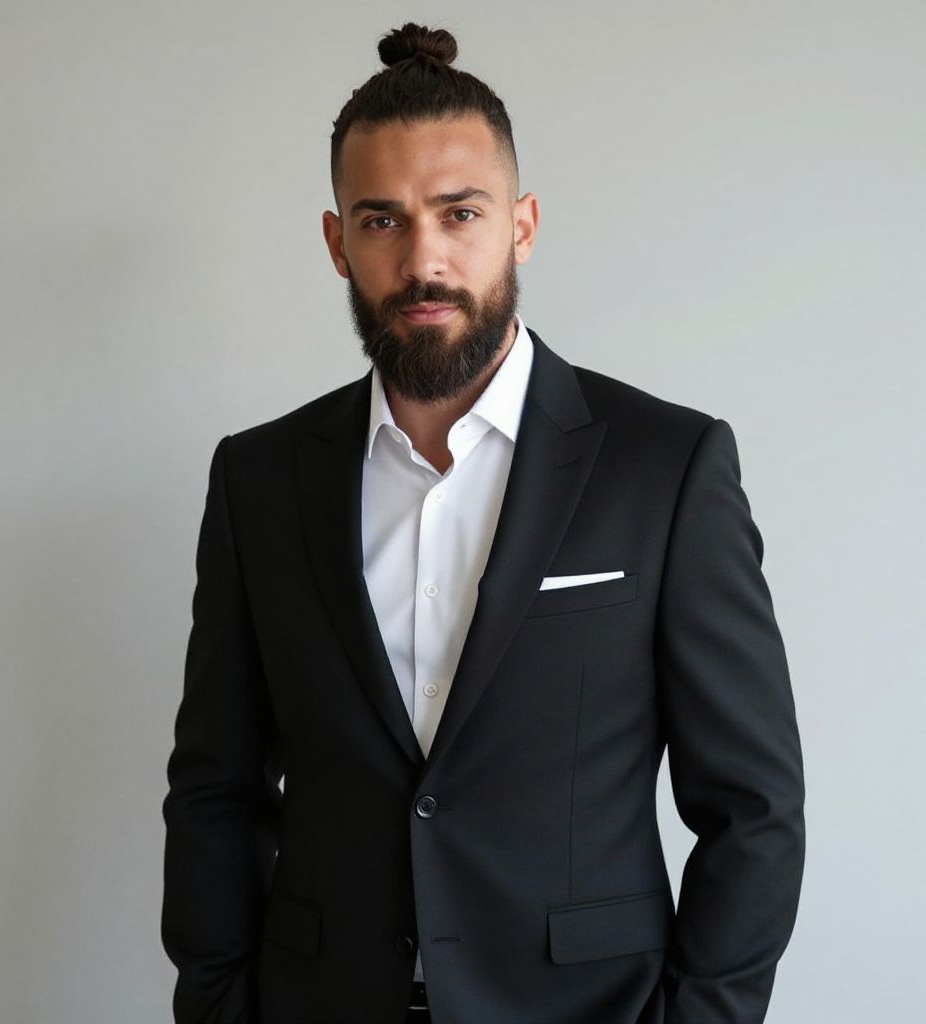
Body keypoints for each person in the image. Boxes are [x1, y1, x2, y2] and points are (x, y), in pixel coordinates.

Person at [161, 21, 805, 1024]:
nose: (424, 259)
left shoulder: (666, 467)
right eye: (381, 220)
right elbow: (215, 787)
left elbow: (753, 808)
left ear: (522, 225)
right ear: (337, 243)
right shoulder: (260, 479)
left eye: (459, 213)